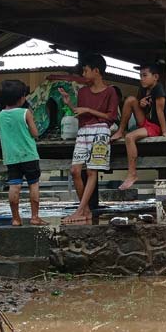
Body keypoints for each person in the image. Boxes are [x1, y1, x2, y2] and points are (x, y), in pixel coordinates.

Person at [58, 54, 119, 224]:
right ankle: (84, 210)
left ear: (96, 71)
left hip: (101, 132)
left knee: (92, 171)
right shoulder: (83, 91)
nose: (83, 74)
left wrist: (89, 111)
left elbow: (111, 117)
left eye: (85, 70)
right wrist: (69, 103)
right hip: (83, 131)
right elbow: (80, 112)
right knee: (75, 171)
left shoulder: (110, 91)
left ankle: (80, 210)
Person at [0, 80, 48, 226]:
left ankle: (15, 218)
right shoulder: (25, 113)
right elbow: (35, 133)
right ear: (21, 98)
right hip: (29, 155)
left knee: (14, 186)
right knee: (33, 184)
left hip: (11, 157)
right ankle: (35, 217)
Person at [111, 63, 166, 190]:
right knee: (131, 100)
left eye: (144, 75)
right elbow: (145, 109)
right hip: (146, 122)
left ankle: (132, 174)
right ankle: (120, 130)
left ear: (155, 77)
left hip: (156, 127)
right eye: (140, 76)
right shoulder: (143, 89)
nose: (141, 78)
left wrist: (164, 131)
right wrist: (142, 104)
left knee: (130, 138)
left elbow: (160, 111)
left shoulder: (158, 89)